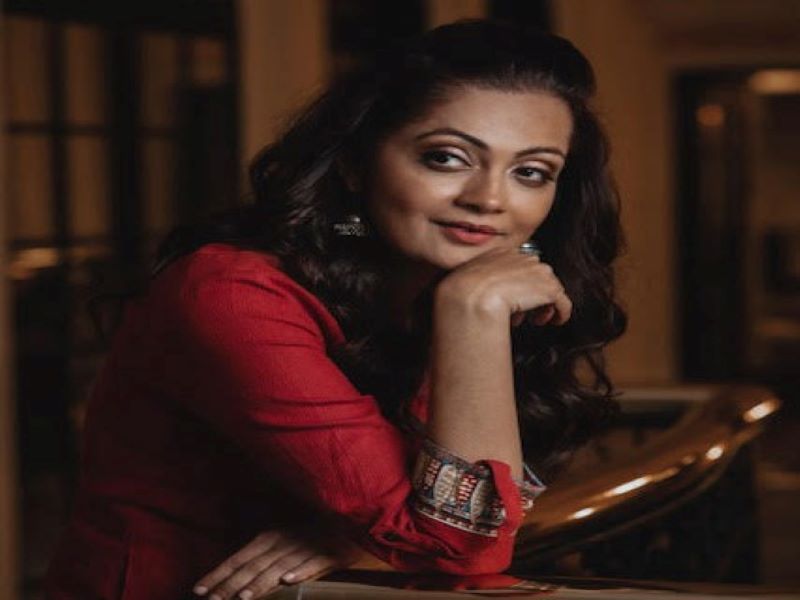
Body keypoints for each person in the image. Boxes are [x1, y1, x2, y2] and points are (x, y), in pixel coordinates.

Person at [45, 19, 625, 600]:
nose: (489, 199)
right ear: (354, 164)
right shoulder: (231, 294)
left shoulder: (448, 291)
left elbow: (470, 524)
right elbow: (463, 543)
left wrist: (361, 538)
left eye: (531, 172)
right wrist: (471, 314)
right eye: (446, 158)